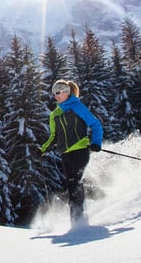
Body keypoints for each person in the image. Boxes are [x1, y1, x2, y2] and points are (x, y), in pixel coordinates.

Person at [40, 79, 104, 225]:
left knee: (74, 183)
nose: (55, 96)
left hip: (80, 150)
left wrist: (96, 142)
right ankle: (98, 195)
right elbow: (53, 137)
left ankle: (77, 220)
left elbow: (95, 124)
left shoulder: (77, 107)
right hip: (65, 154)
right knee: (72, 184)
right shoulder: (54, 115)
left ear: (66, 92)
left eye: (57, 93)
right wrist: (42, 149)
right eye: (53, 93)